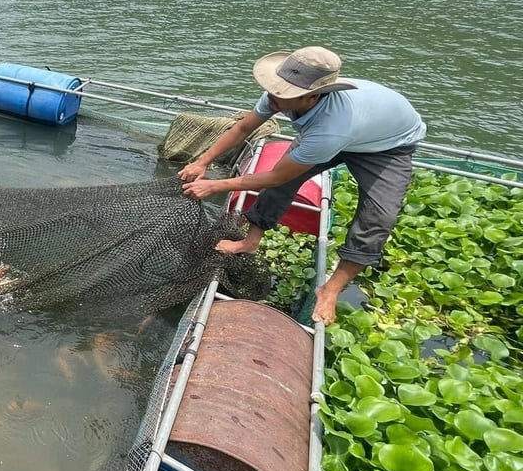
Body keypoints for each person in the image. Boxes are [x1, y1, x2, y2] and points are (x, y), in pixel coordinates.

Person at [178, 46, 426, 325]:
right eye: (274, 89)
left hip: (389, 145)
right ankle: (250, 242)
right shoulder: (278, 96)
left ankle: (330, 290)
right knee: (286, 176)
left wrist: (215, 185)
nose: (272, 97)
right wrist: (203, 162)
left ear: (312, 97)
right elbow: (242, 128)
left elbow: (276, 178)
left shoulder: (329, 130)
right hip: (351, 128)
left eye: (282, 95)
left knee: (378, 218)